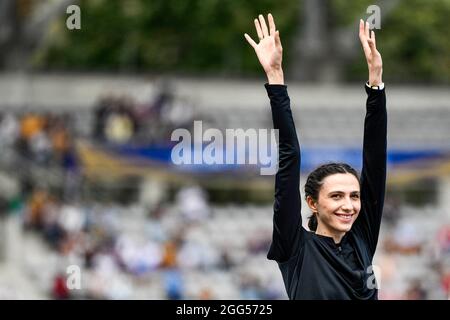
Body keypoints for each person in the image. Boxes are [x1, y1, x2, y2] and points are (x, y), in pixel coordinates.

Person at [245, 14, 386, 299]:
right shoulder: (294, 247)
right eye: (336, 196)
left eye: (354, 196)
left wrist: (376, 87)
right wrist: (276, 80)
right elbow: (289, 157)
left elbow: (375, 160)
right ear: (312, 202)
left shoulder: (361, 239)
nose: (348, 205)